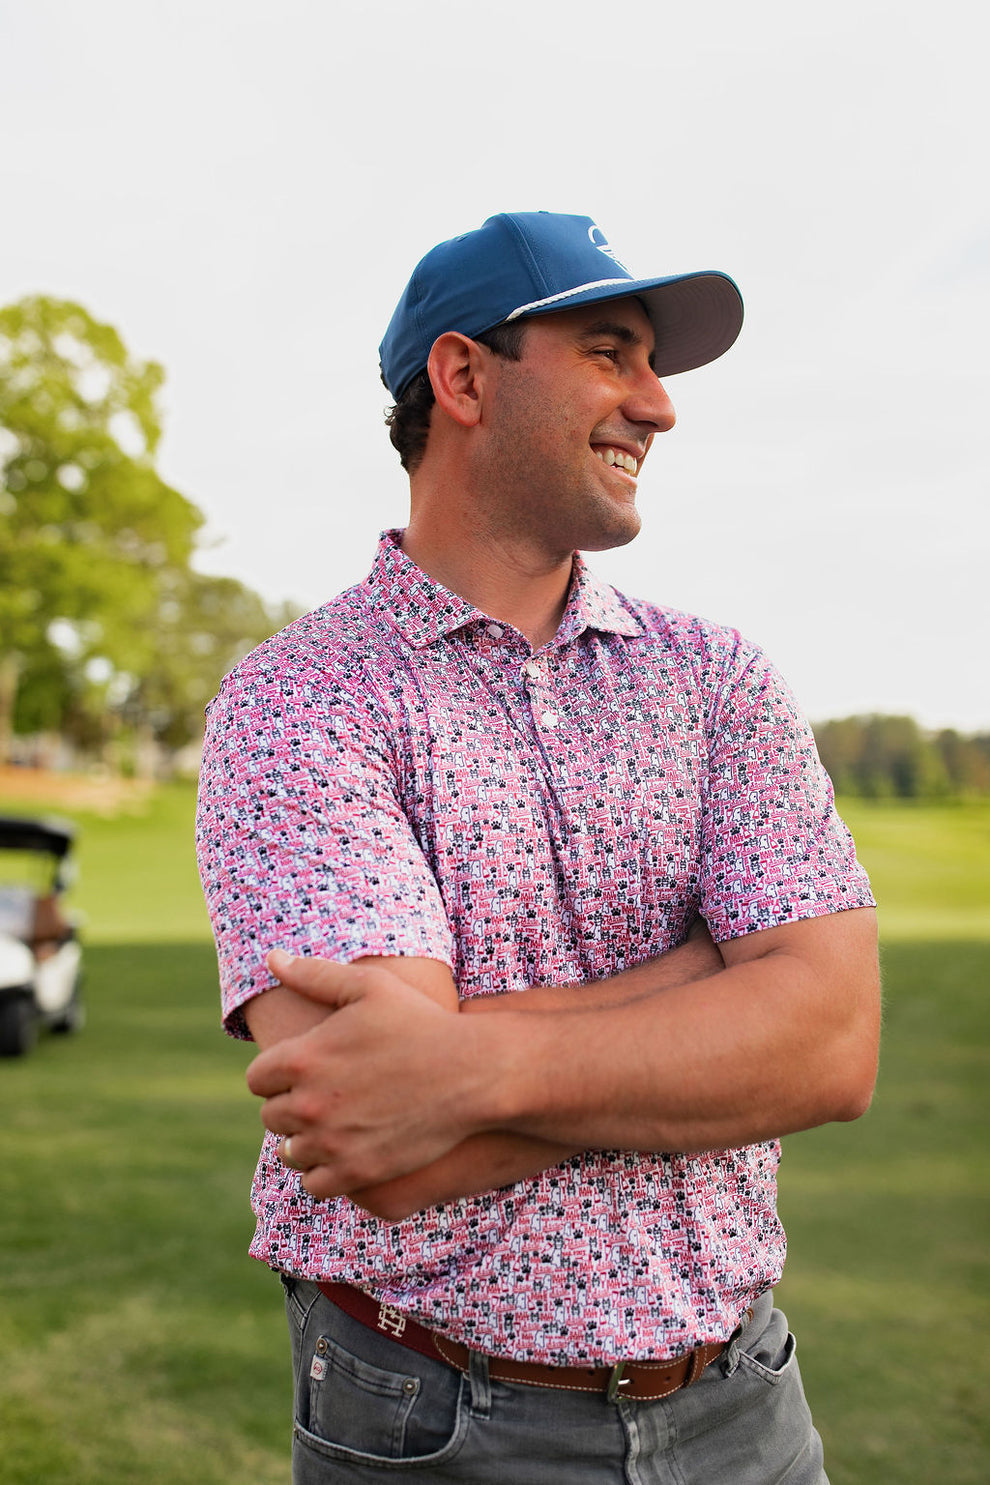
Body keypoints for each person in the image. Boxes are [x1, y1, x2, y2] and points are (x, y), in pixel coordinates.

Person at [196, 211, 880, 1483]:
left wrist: (466, 1064)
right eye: (611, 351)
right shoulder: (301, 701)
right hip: (438, 1423)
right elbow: (384, 1143)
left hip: (748, 1409)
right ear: (462, 379)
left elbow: (834, 1045)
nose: (659, 407)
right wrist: (713, 984)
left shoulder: (717, 677)